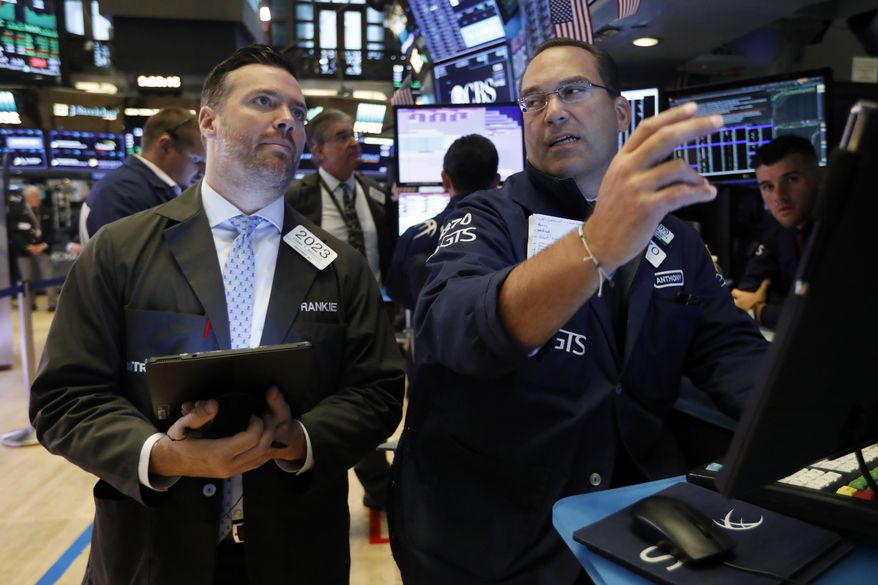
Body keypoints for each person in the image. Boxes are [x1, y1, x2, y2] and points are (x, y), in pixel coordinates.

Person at [388, 38, 769, 585]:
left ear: (621, 112)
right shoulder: (486, 218)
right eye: (534, 101)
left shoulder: (674, 238)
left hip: (629, 524)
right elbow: (458, 328)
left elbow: (730, 352)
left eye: (572, 91)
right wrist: (595, 246)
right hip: (494, 536)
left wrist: (820, 432)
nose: (553, 111)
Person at [30, 44, 404, 585]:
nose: (287, 121)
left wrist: (301, 438)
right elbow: (64, 398)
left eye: (297, 113)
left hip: (296, 553)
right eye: (263, 101)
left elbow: (377, 391)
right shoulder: (122, 250)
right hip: (154, 551)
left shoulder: (338, 266)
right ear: (208, 120)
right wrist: (162, 455)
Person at [286, 108, 397, 510]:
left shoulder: (375, 193)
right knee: (330, 406)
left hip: (376, 315)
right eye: (341, 136)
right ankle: (349, 485)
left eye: (353, 135)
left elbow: (391, 251)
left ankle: (380, 487)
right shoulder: (297, 198)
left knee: (371, 400)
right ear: (317, 151)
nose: (354, 143)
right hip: (319, 321)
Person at [384, 134, 500, 311]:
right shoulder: (513, 233)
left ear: (445, 179)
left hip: (431, 336)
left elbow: (397, 291)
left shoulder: (413, 237)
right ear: (496, 182)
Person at [731, 135, 820, 330]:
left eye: (791, 179)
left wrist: (759, 310)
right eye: (768, 187)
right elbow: (747, 290)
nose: (780, 196)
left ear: (819, 176)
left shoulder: (839, 231)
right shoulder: (778, 226)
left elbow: (817, 315)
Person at [80, 107, 206, 243]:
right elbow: (128, 262)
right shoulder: (120, 193)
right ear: (165, 146)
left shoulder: (152, 189)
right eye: (196, 160)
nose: (202, 171)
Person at [8, 185, 59, 310]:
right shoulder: (16, 212)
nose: (39, 198)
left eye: (39, 195)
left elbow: (52, 231)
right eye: (36, 196)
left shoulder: (46, 210)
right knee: (26, 279)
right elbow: (14, 233)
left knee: (49, 277)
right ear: (27, 197)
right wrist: (27, 246)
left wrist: (44, 245)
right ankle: (29, 304)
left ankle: (52, 304)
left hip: (44, 249)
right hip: (24, 252)